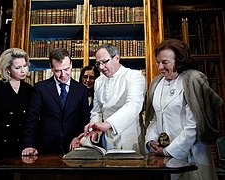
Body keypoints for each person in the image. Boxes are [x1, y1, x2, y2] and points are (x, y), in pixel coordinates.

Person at [144, 38, 223, 180]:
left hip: (192, 154)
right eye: (158, 62)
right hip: (164, 157)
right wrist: (151, 141)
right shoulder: (156, 82)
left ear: (179, 61)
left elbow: (194, 125)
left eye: (165, 62)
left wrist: (169, 151)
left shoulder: (192, 79)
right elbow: (154, 118)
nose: (160, 67)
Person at [70, 43, 146, 153]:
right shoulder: (99, 81)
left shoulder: (134, 76)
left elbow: (133, 106)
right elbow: (97, 111)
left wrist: (107, 124)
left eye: (105, 62)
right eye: (98, 64)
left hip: (129, 135)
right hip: (106, 138)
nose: (101, 67)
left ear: (116, 58)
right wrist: (94, 129)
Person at [22, 48, 90, 156]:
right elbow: (32, 119)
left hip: (74, 148)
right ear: (51, 68)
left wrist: (79, 138)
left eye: (67, 69)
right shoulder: (41, 88)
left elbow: (85, 120)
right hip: (46, 148)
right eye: (58, 70)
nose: (63, 74)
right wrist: (28, 145)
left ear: (71, 65)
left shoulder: (81, 90)